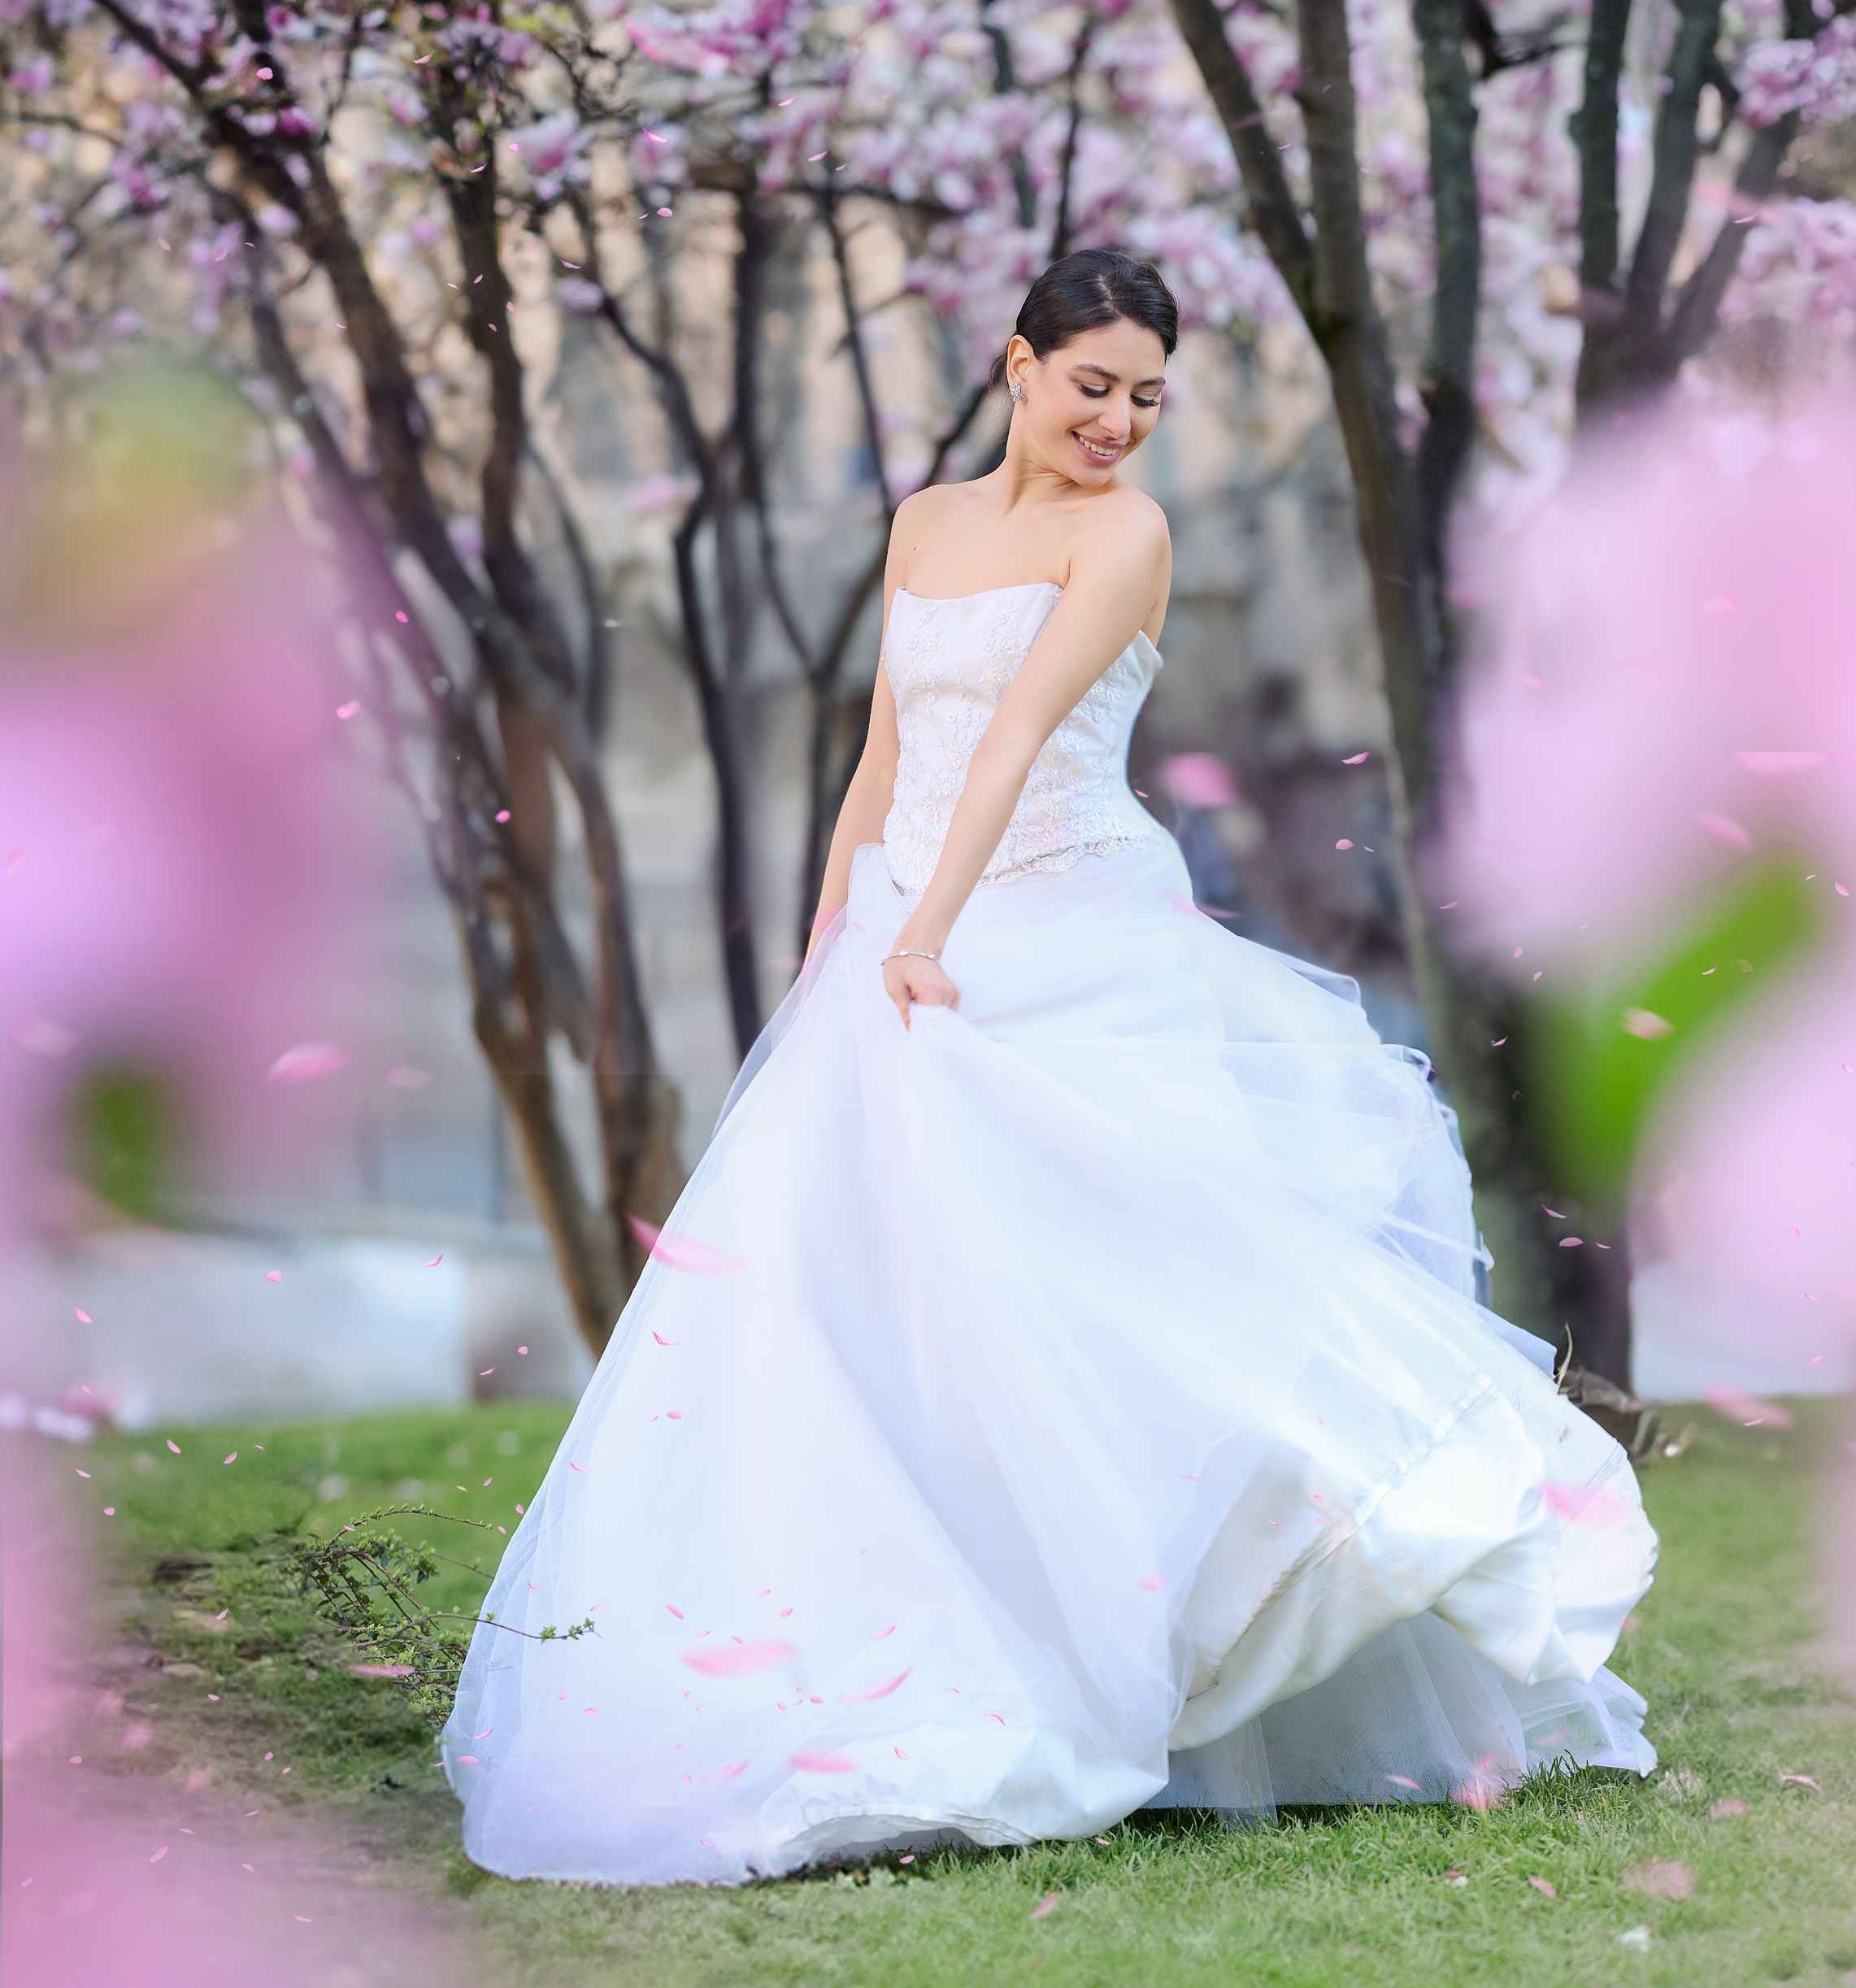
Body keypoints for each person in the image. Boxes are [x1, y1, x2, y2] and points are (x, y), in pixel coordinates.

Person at [441, 248, 1657, 1885]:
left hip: (1065, 929)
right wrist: (837, 938)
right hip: (903, 937)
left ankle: (1240, 1610)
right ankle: (927, 1635)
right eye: (1092, 384)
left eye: (1148, 396)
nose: (1119, 420)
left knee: (1125, 1296)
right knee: (887, 1313)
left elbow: (1014, 735)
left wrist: (925, 933)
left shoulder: (1126, 533)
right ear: (1017, 366)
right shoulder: (923, 526)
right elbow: (891, 742)